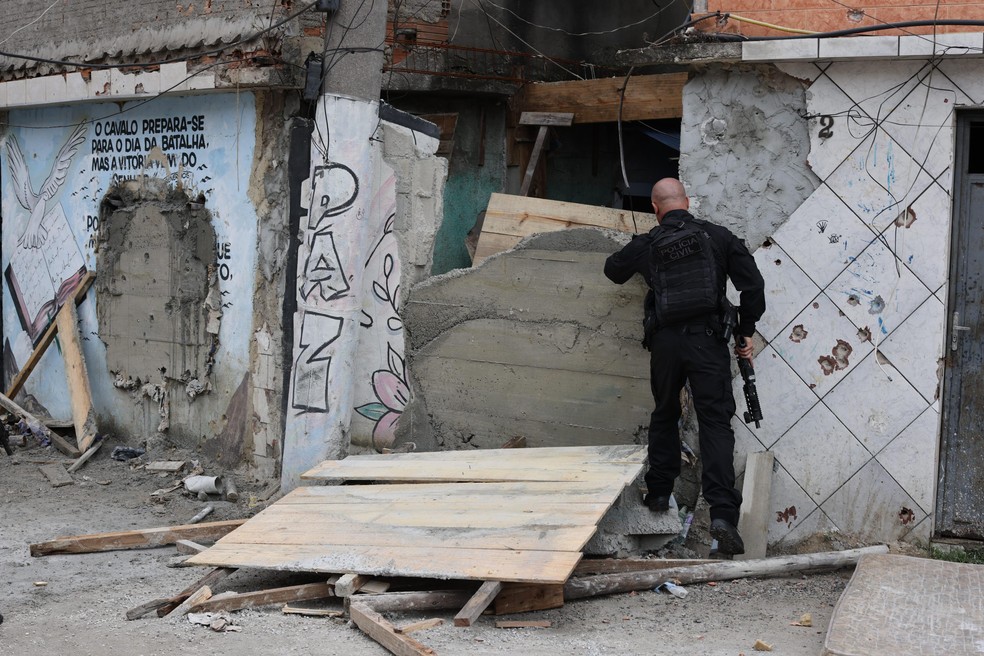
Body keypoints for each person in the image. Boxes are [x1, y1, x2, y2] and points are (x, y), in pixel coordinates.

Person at [603, 178, 765, 556]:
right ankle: (722, 516)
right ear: (687, 202)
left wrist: (642, 247)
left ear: (655, 209)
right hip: (707, 342)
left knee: (665, 412)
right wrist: (745, 331)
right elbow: (753, 286)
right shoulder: (718, 237)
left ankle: (660, 493)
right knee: (714, 423)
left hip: (666, 345)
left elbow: (613, 270)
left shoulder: (649, 243)